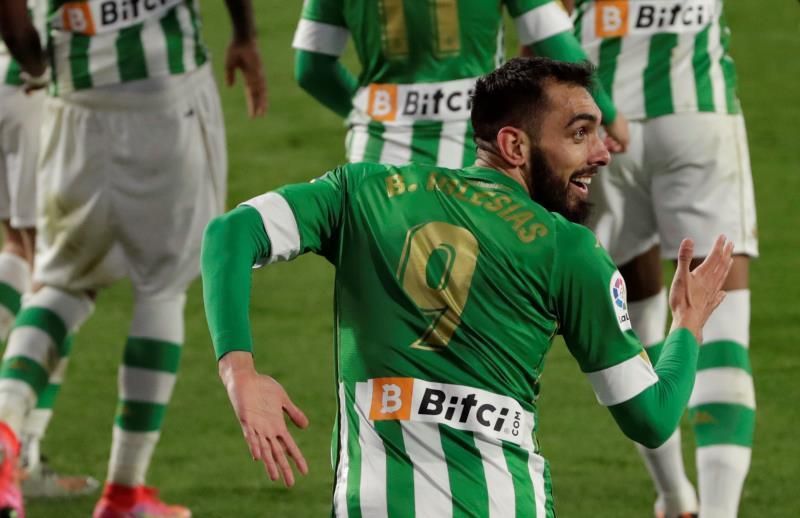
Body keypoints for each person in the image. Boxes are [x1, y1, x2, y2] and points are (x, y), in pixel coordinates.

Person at [201, 57, 733, 516]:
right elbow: (652, 418)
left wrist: (239, 370)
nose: (602, 153)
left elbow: (230, 233)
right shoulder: (568, 251)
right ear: (514, 145)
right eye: (579, 134)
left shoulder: (365, 191)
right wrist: (687, 324)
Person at [0, 0, 266, 516]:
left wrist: (37, 66)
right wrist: (244, 35)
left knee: (60, 283)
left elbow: (12, 15)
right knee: (162, 289)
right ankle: (124, 492)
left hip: (74, 96)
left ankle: (6, 430)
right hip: (165, 91)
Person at [567, 1, 758, 516]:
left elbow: (543, 30)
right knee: (722, 328)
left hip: (601, 122)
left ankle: (674, 497)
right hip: (697, 114)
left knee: (633, 314)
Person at [292, 0, 630, 168]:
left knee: (383, 279)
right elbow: (556, 45)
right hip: (481, 146)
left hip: (377, 151)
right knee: (482, 277)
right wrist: (609, 115)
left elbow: (311, 69)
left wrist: (372, 112)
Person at [0, 0, 101, 499]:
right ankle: (20, 456)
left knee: (19, 251)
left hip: (4, 81)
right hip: (36, 86)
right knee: (62, 280)